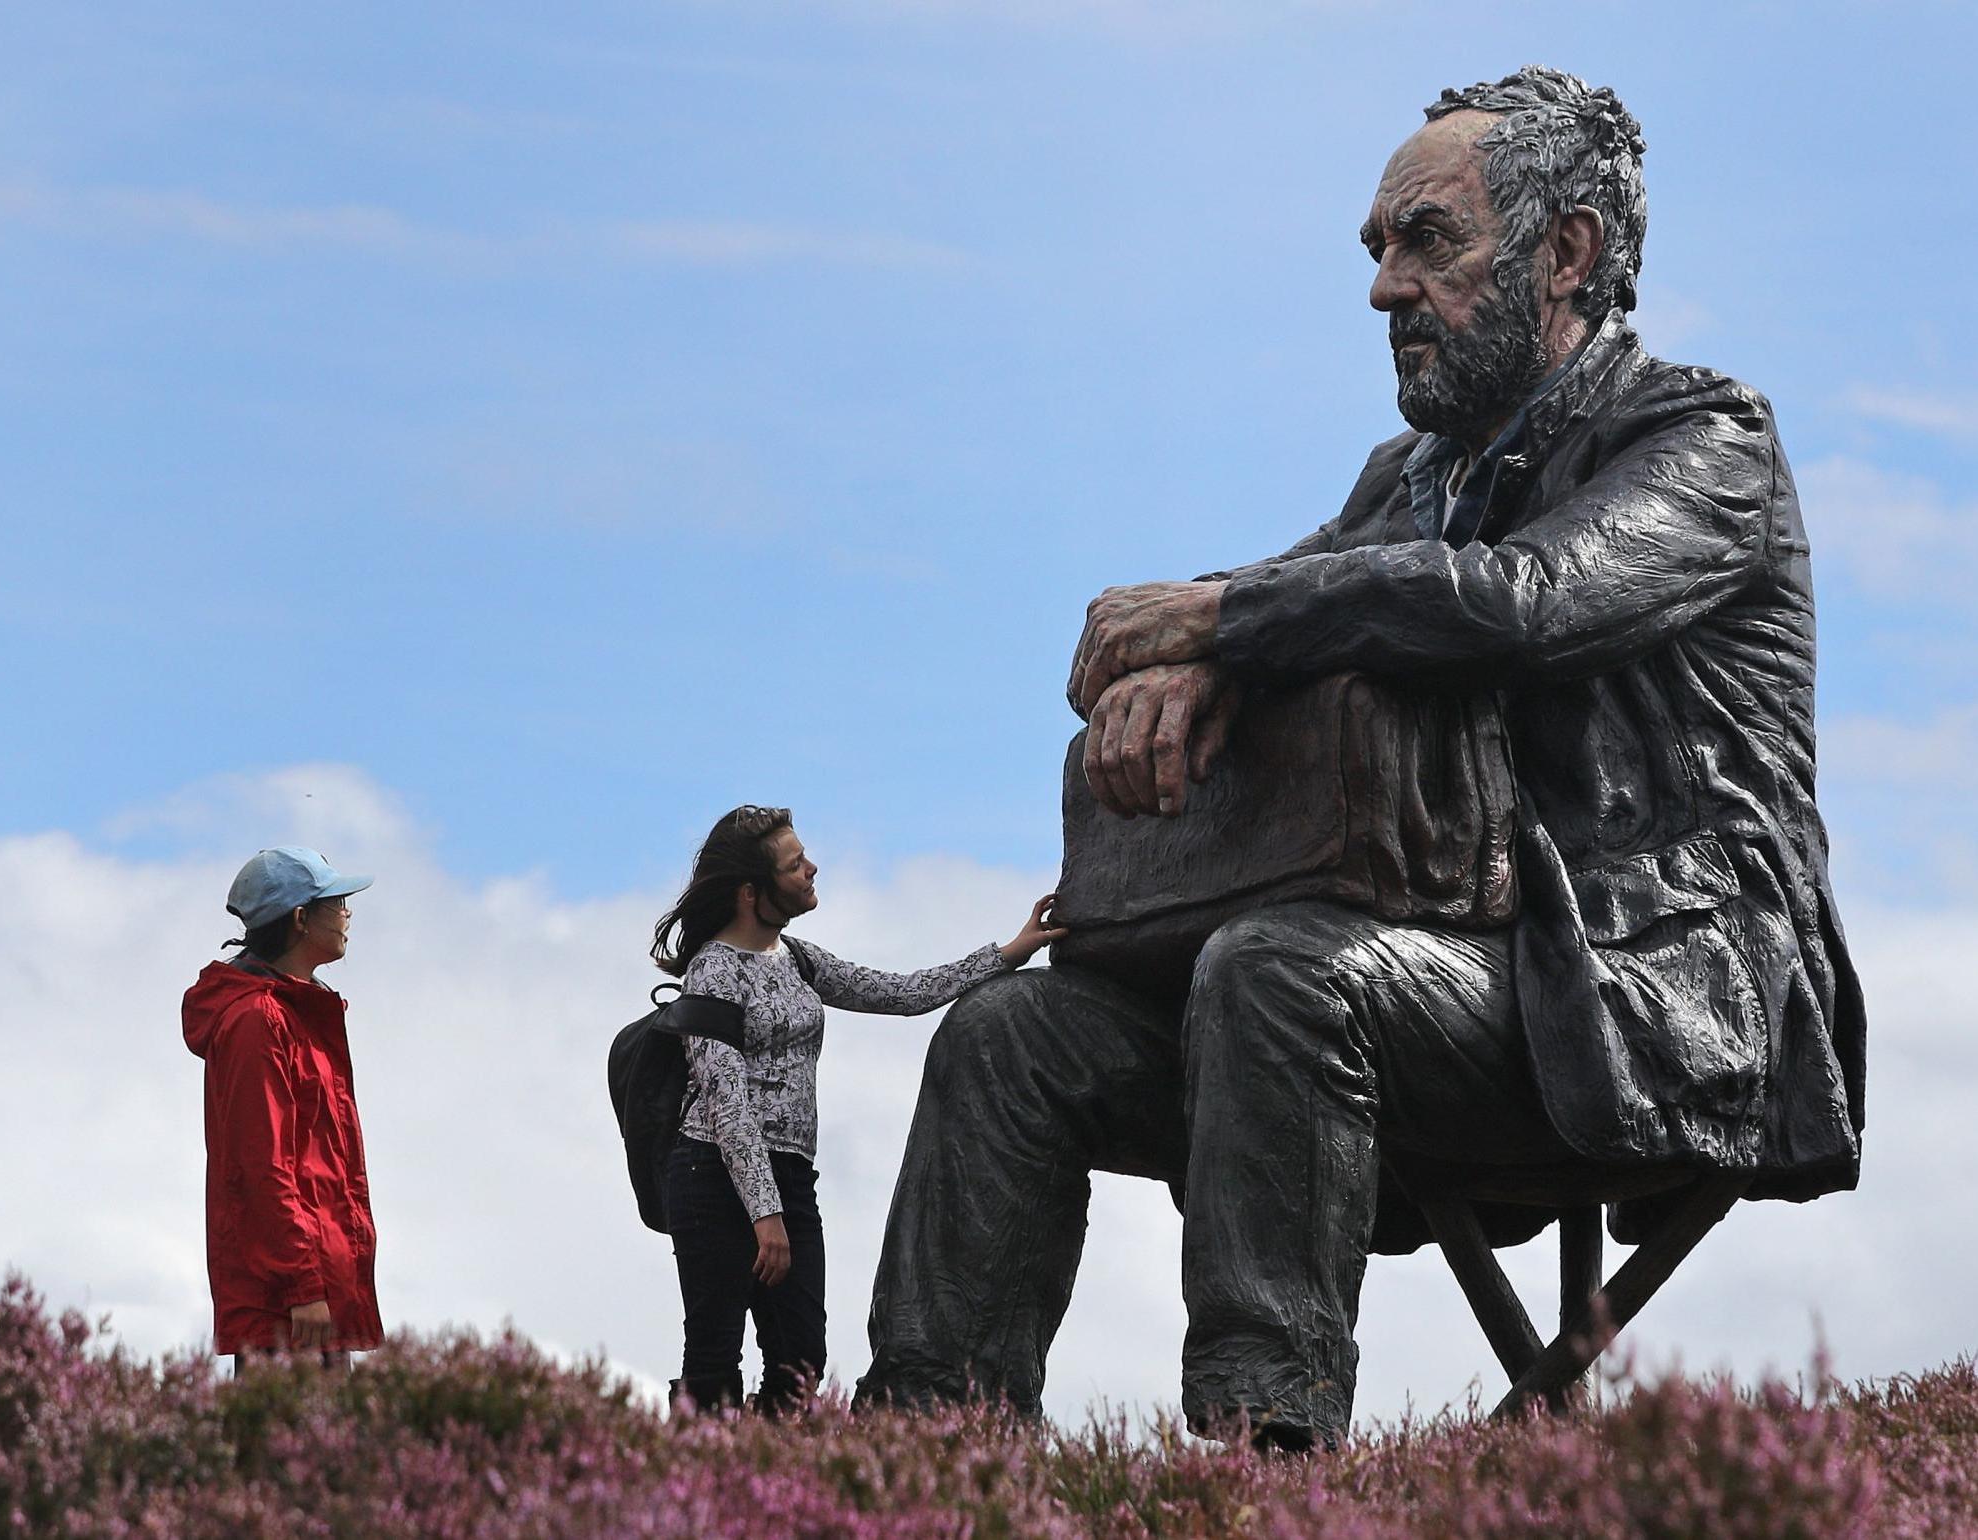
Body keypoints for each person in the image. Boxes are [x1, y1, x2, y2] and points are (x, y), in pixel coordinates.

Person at [855, 67, 1865, 1449]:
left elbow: (1523, 600)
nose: (1385, 288)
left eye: (1426, 242)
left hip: (1648, 996)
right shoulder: (1406, 483)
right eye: (1377, 250)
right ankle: (916, 1458)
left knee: (1280, 969)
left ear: (1564, 252)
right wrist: (1197, 660)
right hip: (1426, 994)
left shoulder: (1703, 444)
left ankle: (1263, 1463)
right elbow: (1302, 587)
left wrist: (1219, 621)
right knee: (1009, 1034)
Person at [649, 804, 1065, 1413]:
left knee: (800, 1362)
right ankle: (696, 1486)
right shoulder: (711, 975)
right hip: (713, 1177)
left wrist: (1008, 953)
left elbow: (900, 992)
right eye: (795, 865)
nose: (812, 868)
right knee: (713, 1355)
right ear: (750, 892)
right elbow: (727, 1103)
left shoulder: (798, 959)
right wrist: (766, 1216)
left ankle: (771, 1488)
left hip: (790, 1178)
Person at [181, 846, 383, 1367]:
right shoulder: (257, 1020)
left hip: (314, 1300)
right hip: (289, 1309)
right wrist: (303, 1287)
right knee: (294, 1447)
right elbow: (264, 1166)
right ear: (300, 918)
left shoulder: (299, 1011)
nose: (348, 914)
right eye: (336, 901)